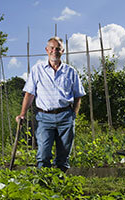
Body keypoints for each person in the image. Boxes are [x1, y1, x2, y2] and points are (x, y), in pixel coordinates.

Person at [15, 36, 85, 172]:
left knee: (63, 156)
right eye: (52, 48)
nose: (54, 51)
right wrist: (22, 114)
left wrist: (73, 115)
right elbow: (29, 94)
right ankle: (43, 185)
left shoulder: (71, 72)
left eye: (58, 48)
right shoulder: (37, 70)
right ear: (47, 50)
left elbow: (78, 96)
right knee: (43, 154)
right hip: (44, 117)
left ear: (62, 51)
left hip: (65, 116)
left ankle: (60, 184)